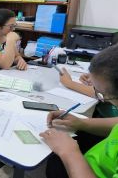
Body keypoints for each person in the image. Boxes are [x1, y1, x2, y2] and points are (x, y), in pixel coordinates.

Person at [40, 44, 118, 178]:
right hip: (100, 157)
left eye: (102, 94)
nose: (102, 99)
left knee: (56, 165)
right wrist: (81, 123)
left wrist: (69, 152)